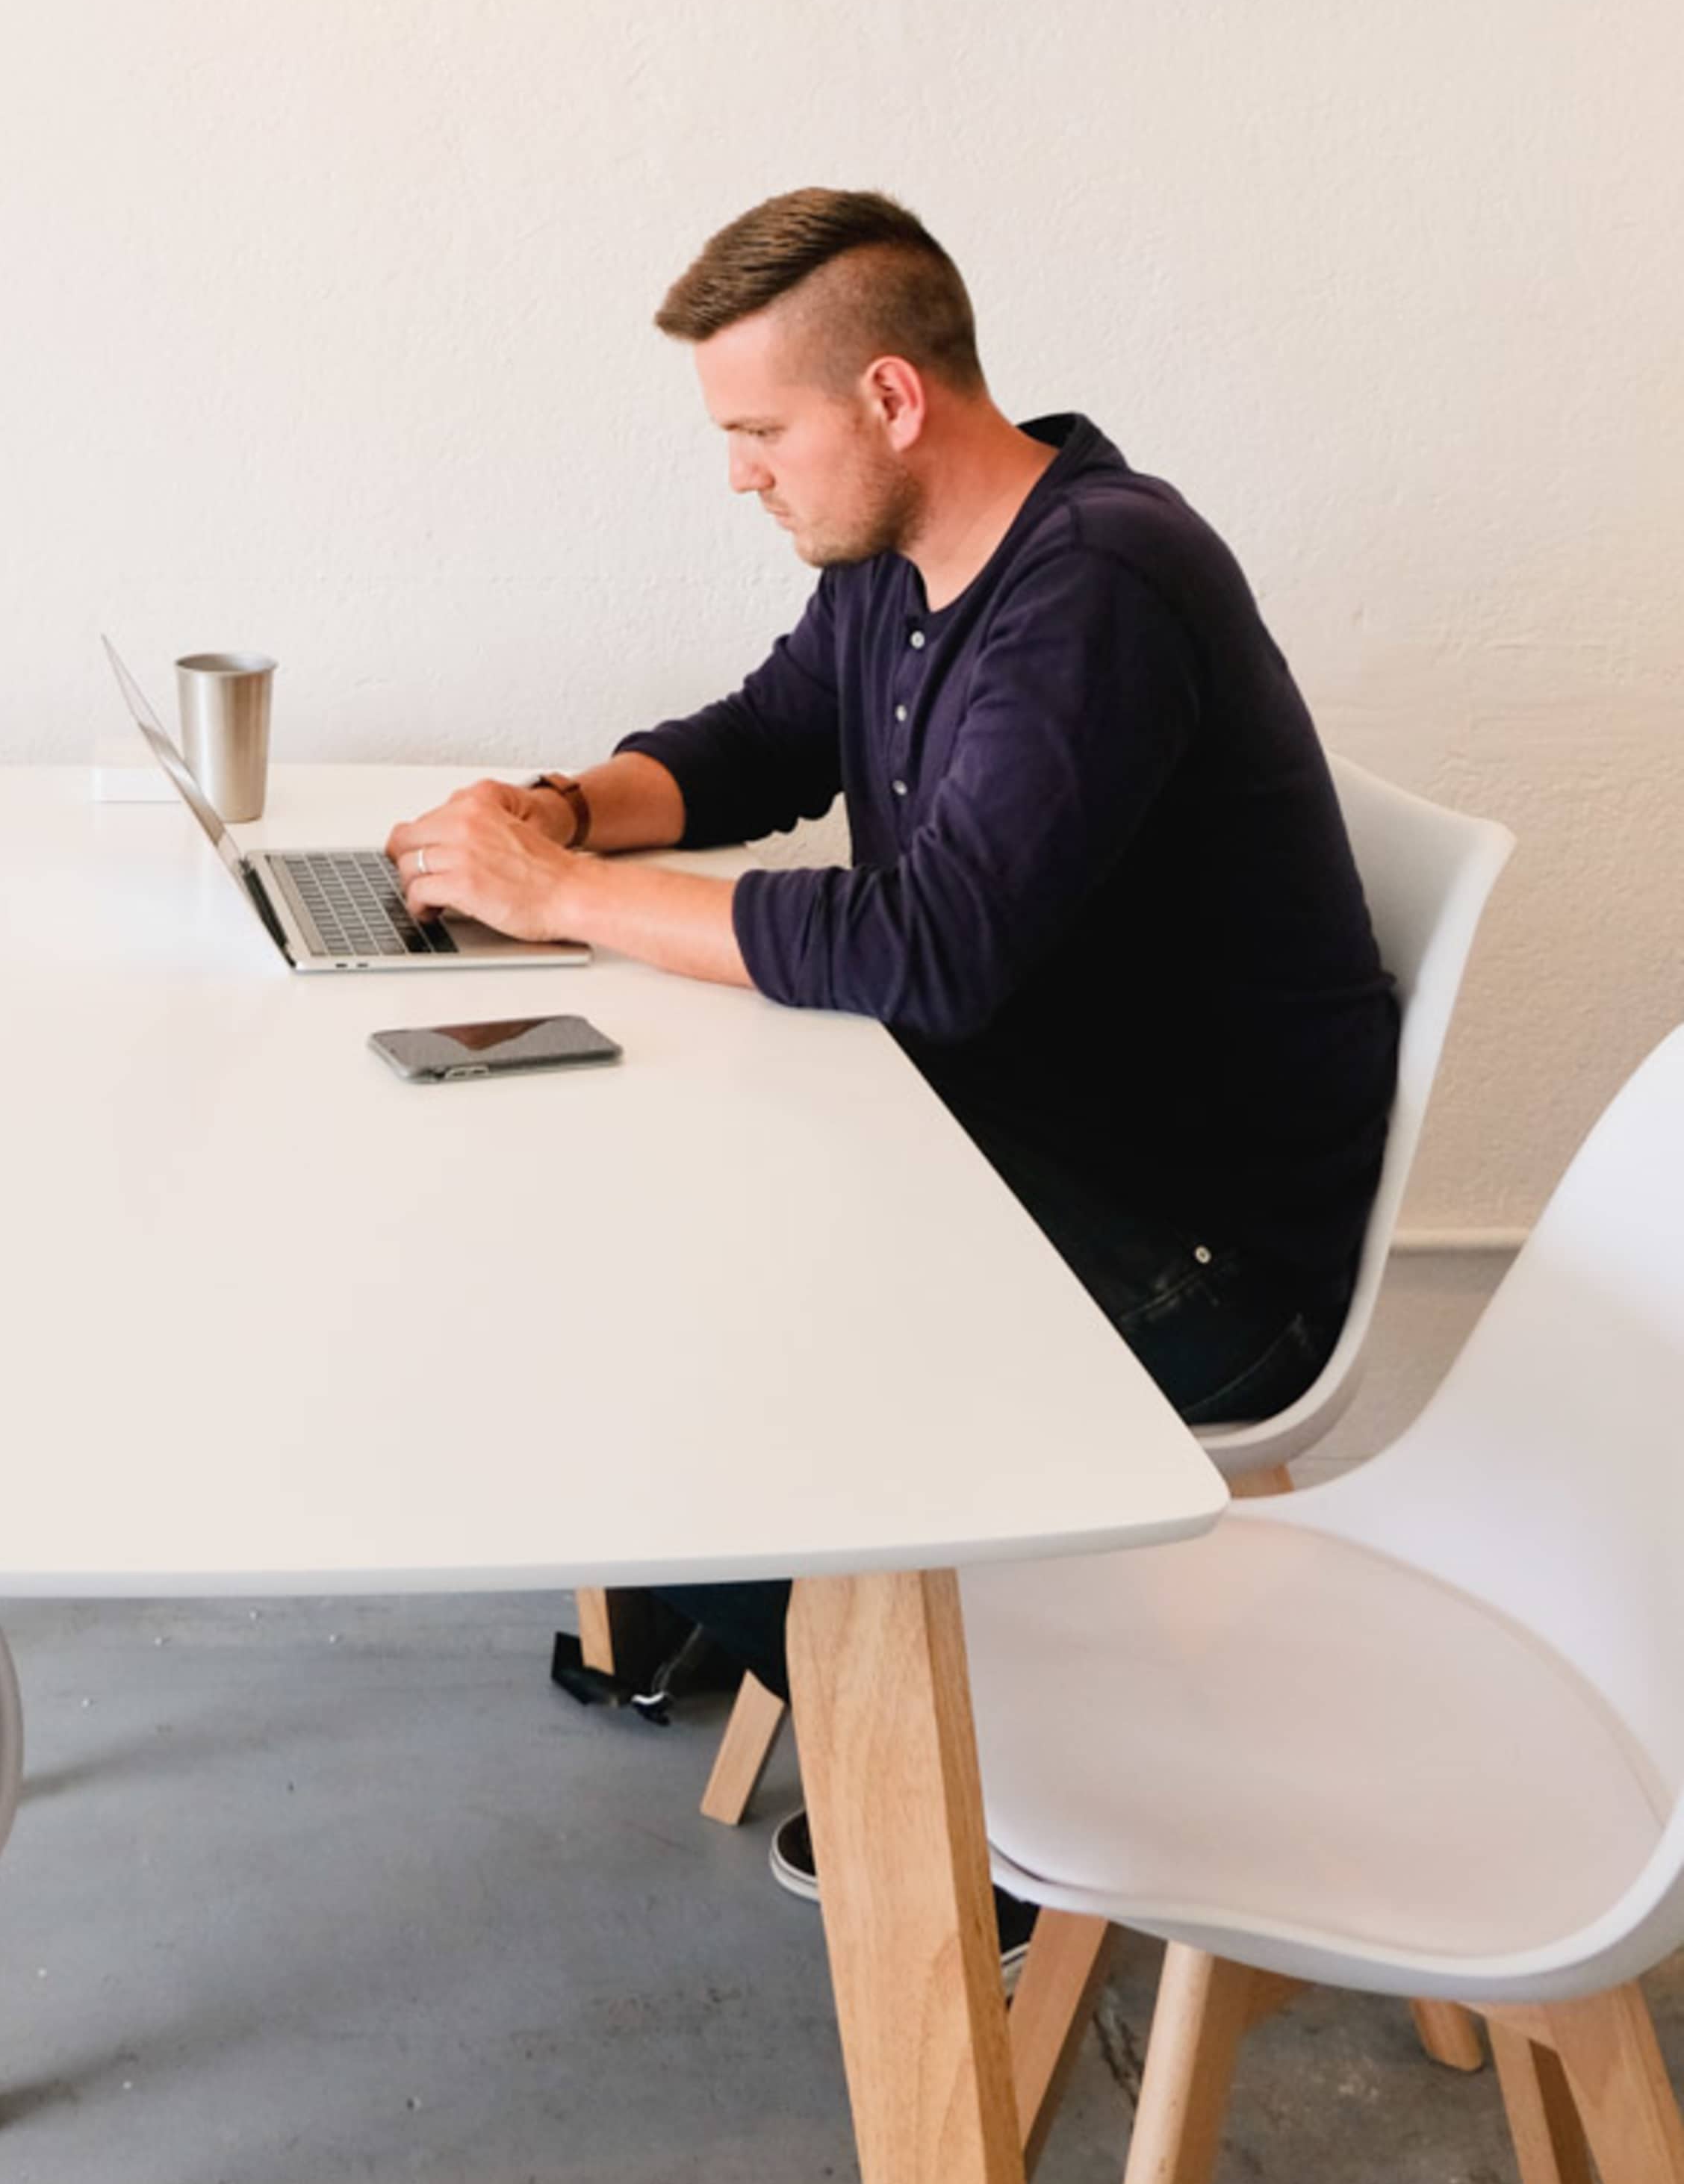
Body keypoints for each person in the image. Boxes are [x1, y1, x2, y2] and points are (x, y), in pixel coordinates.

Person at [385, 186, 1396, 1926]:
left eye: (760, 430)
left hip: (1205, 1259)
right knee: (624, 1256)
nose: (740, 473)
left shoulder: (1101, 584)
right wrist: (557, 811)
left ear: (893, 402)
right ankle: (795, 1631)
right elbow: (762, 743)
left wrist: (559, 899)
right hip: (1027, 1147)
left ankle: (1012, 1773)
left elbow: (926, 952)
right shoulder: (907, 566)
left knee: (641, 1405)